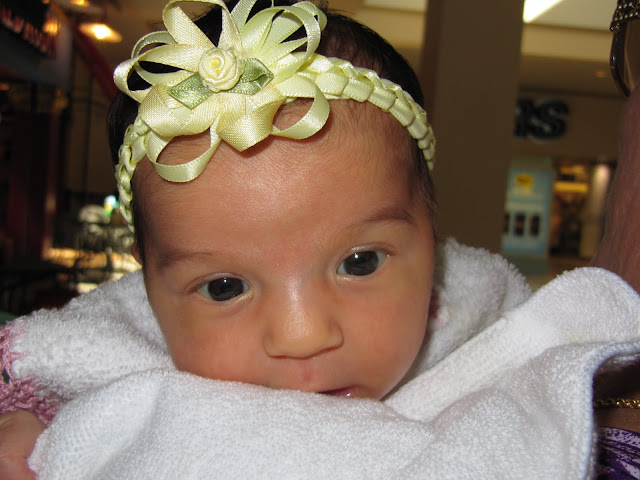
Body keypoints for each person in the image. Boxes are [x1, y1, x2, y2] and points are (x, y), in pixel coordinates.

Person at [0, 0, 639, 478]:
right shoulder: (116, 387)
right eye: (224, 287)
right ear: (148, 282)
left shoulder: (486, 330)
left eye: (359, 262)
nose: (303, 336)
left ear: (431, 229)